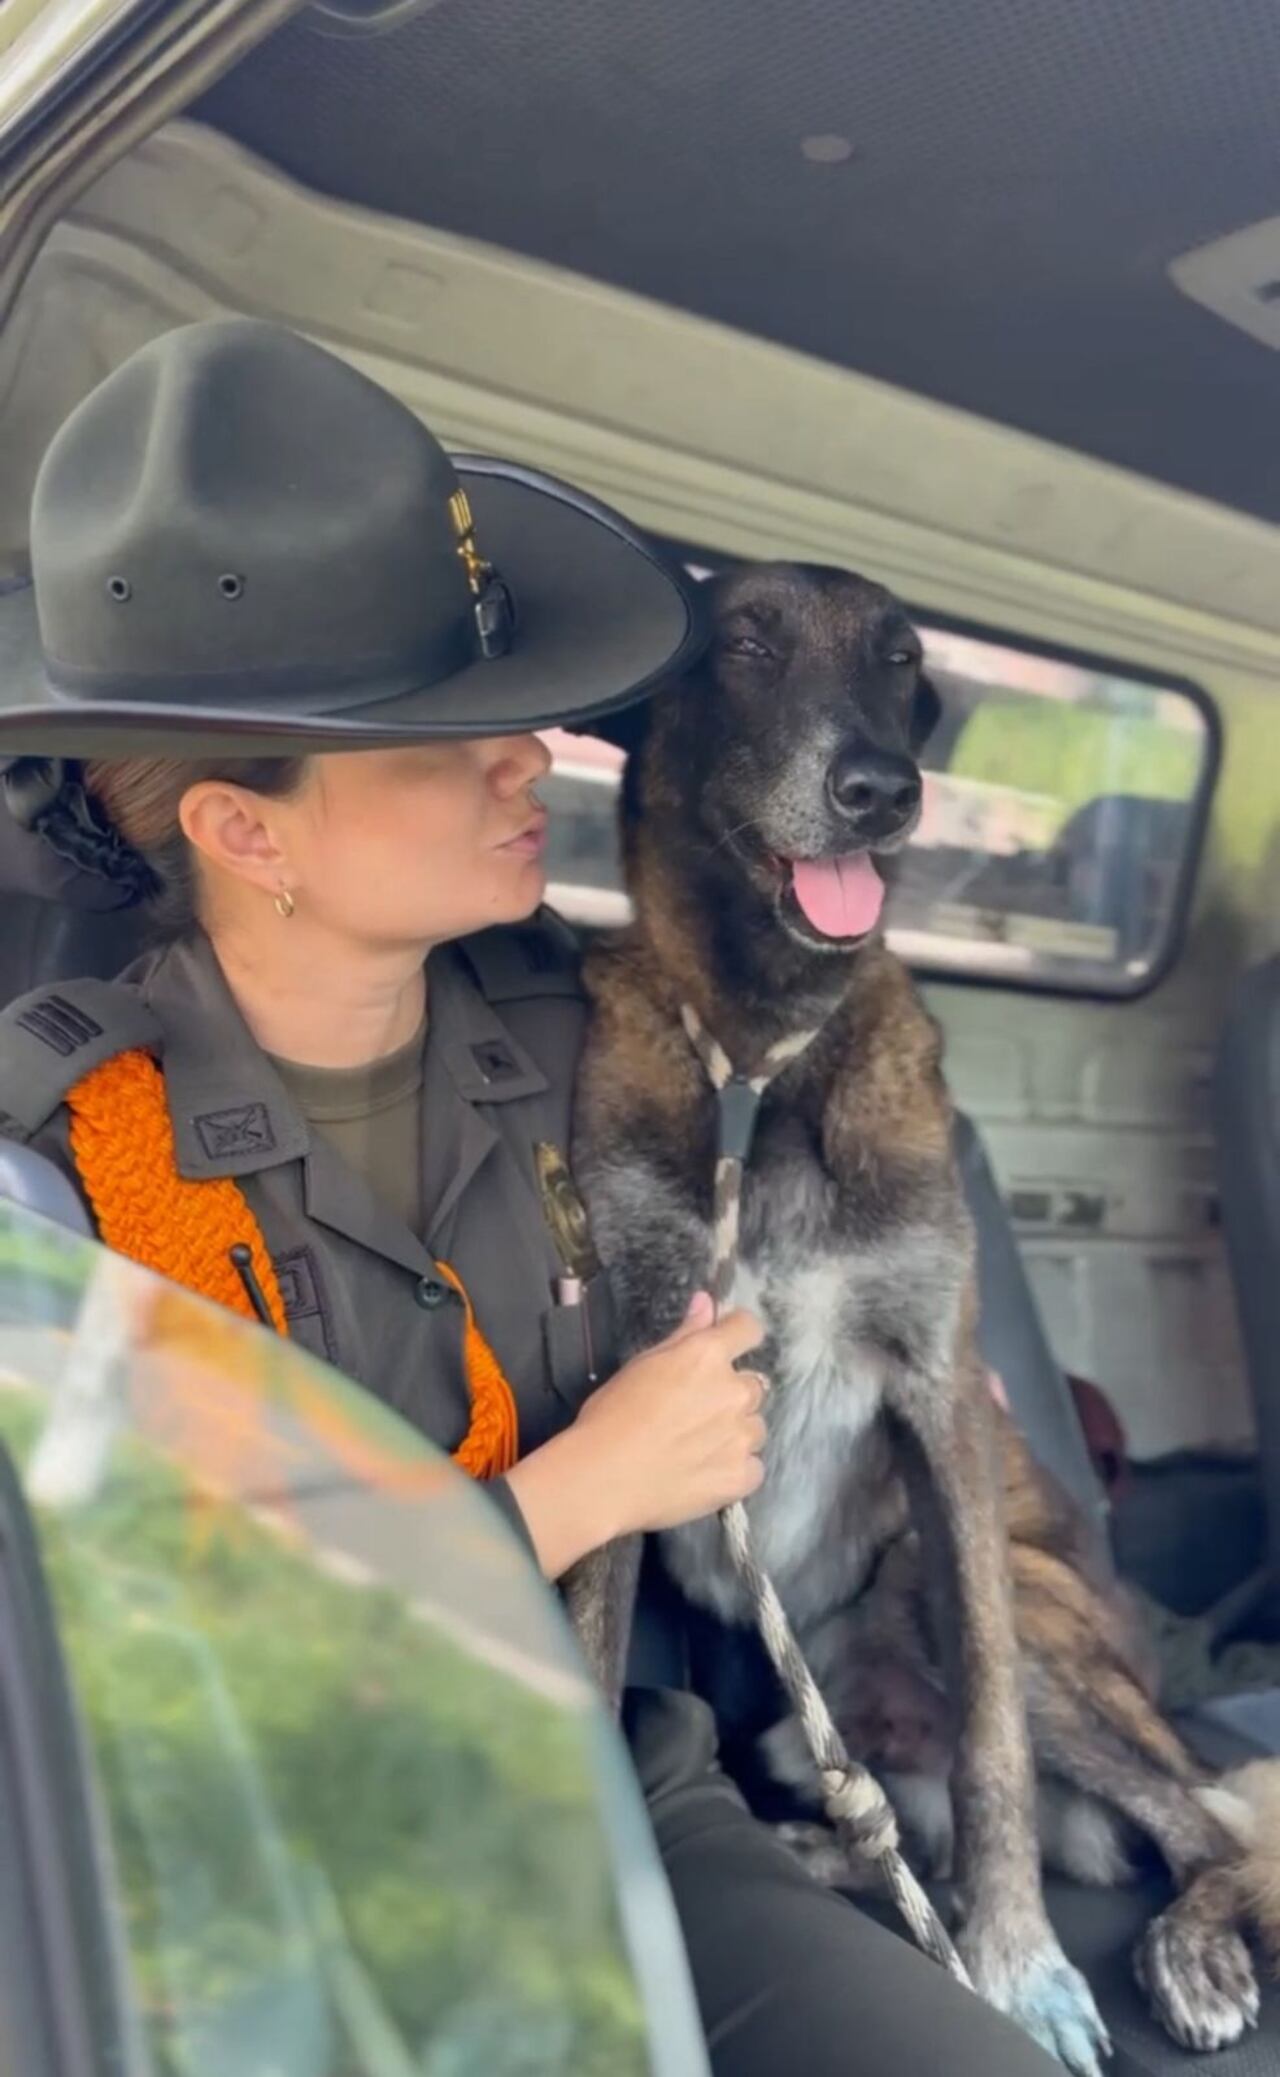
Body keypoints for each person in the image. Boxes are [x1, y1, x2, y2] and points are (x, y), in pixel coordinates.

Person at [0, 317, 1065, 2076]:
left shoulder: (605, 1030)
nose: (531, 759)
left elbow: (841, 1168)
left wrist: (942, 1392)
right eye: (444, 741)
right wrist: (578, 1489)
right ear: (248, 831)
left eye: (513, 714)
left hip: (613, 1780)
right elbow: (130, 1667)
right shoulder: (65, 1166)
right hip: (288, 1868)